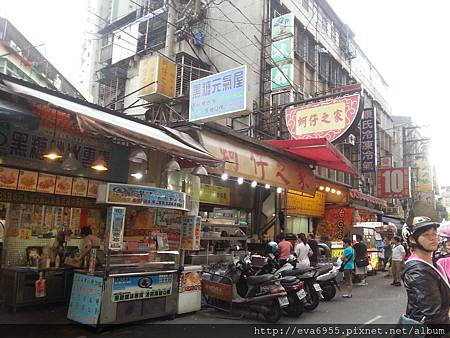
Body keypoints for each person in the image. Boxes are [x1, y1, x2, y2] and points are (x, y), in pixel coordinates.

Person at [401, 217, 450, 326]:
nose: (433, 238)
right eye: (426, 235)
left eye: (434, 233)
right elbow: (434, 316)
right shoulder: (417, 271)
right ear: (412, 239)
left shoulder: (432, 263)